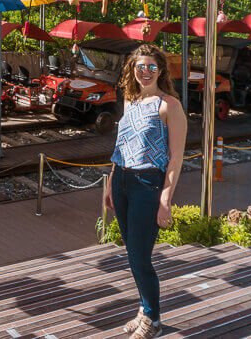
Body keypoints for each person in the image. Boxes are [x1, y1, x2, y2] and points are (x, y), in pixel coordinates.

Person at [104, 43, 187, 338]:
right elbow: (122, 144)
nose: (146, 72)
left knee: (141, 257)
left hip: (147, 185)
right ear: (133, 70)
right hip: (122, 181)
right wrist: (111, 183)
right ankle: (144, 309)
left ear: (161, 70)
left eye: (152, 67)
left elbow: (176, 158)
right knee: (131, 254)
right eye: (141, 67)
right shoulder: (131, 101)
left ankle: (153, 318)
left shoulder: (169, 106)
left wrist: (165, 199)